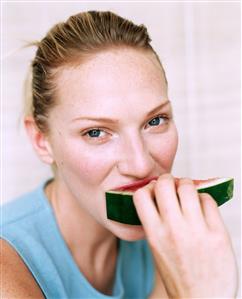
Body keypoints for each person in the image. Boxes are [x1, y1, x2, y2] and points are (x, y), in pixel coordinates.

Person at [1, 10, 238, 299]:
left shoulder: (169, 238)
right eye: (96, 132)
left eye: (155, 121)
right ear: (41, 140)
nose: (140, 165)